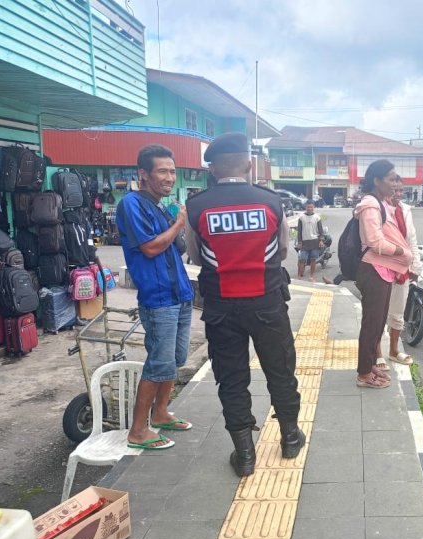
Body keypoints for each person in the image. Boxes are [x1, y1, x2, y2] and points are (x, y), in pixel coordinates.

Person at [185, 133, 304, 476]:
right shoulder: (270, 202)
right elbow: (282, 250)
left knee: (232, 378)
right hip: (267, 303)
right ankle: (290, 438)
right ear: (249, 163)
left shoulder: (196, 206)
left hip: (221, 307)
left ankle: (245, 455)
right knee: (280, 370)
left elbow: (195, 256)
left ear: (212, 168)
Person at [116, 144, 194, 450]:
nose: (170, 177)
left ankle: (160, 413)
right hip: (159, 297)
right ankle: (138, 430)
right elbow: (150, 248)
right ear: (143, 174)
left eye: (172, 171)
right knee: (159, 363)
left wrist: (179, 226)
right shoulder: (131, 203)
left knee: (176, 359)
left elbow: (179, 247)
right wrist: (178, 224)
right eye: (163, 171)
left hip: (180, 293)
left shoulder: (163, 205)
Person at [354, 160, 412, 389]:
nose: (395, 183)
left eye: (396, 178)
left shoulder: (381, 202)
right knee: (372, 323)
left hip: (383, 269)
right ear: (376, 181)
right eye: (391, 178)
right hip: (373, 269)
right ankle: (363, 374)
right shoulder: (370, 204)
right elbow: (373, 240)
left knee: (378, 324)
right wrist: (400, 251)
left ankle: (369, 365)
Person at [375, 176, 423, 368]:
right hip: (380, 268)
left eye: (402, 190)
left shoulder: (405, 210)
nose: (398, 194)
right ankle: (377, 353)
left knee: (398, 312)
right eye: (395, 190)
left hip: (402, 268)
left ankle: (394, 351)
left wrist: (416, 265)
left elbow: (411, 239)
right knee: (378, 312)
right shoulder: (376, 208)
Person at [296, 201, 325, 282]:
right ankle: (299, 277)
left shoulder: (317, 217)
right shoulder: (301, 218)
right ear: (305, 207)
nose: (309, 209)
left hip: (315, 242)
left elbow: (320, 231)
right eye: (308, 207)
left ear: (314, 207)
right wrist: (300, 242)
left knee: (313, 260)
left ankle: (311, 276)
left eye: (311, 207)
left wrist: (321, 240)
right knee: (302, 260)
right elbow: (299, 231)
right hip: (305, 242)